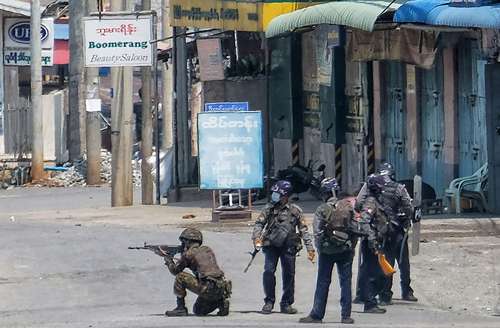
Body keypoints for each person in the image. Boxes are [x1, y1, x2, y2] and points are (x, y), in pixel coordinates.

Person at [299, 178, 357, 324]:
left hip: (327, 251)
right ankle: (346, 316)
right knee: (346, 283)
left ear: (324, 193)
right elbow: (356, 229)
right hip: (346, 250)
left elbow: (317, 232)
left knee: (323, 282)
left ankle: (317, 315)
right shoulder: (348, 207)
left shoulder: (322, 209)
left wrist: (320, 249)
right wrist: (351, 247)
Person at [252, 180, 315, 315]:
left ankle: (286, 303)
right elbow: (259, 224)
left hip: (288, 247)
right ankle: (269, 301)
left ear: (285, 196)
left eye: (277, 193)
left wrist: (310, 249)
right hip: (271, 246)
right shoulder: (269, 208)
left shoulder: (295, 211)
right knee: (268, 272)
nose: (274, 196)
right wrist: (256, 238)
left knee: (289, 275)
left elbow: (304, 230)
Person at [164, 228, 232, 317]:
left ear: (188, 241)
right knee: (198, 310)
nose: (183, 244)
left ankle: (180, 308)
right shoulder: (207, 249)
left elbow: (175, 271)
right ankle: (220, 303)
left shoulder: (189, 254)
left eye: (184, 242)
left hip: (207, 288)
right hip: (220, 288)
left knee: (180, 277)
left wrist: (168, 260)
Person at [375, 163, 417, 304]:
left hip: (381, 231)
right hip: (397, 230)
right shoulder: (399, 189)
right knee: (403, 262)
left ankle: (385, 294)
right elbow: (408, 207)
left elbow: (362, 204)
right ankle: (406, 291)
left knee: (386, 262)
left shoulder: (374, 188)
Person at [356, 174, 392, 314]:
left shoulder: (377, 201)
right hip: (372, 243)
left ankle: (369, 300)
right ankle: (369, 302)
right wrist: (372, 239)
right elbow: (364, 221)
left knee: (376, 272)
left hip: (377, 241)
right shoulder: (371, 202)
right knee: (373, 273)